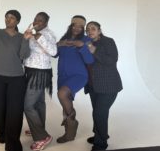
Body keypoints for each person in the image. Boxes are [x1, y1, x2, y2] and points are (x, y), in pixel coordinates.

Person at [0, 4, 32, 151]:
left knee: (15, 111)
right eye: (7, 17)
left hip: (16, 78)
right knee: (0, 108)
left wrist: (27, 39)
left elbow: (24, 55)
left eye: (12, 18)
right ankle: (1, 133)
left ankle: (13, 143)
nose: (8, 20)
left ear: (17, 22)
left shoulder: (22, 37)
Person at [55, 15, 94, 143]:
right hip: (63, 75)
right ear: (71, 26)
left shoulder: (86, 39)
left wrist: (81, 46)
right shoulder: (64, 38)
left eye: (80, 26)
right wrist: (59, 44)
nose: (77, 28)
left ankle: (73, 122)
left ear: (83, 28)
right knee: (65, 101)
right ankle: (69, 134)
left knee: (62, 94)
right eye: (74, 25)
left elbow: (90, 59)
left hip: (79, 75)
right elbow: (54, 54)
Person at [85, 21, 123, 151]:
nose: (90, 31)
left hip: (109, 85)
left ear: (99, 30)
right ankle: (99, 135)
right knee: (97, 112)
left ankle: (101, 144)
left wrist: (94, 51)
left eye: (93, 29)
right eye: (88, 29)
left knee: (99, 113)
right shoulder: (87, 43)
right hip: (93, 85)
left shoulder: (108, 41)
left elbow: (112, 60)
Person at [23, 12, 57, 151]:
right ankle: (38, 128)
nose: (37, 22)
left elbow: (54, 52)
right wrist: (26, 37)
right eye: (35, 19)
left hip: (40, 72)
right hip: (30, 70)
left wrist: (37, 36)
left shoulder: (47, 34)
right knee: (38, 103)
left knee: (28, 106)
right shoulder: (33, 31)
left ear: (46, 22)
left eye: (41, 20)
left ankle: (42, 137)